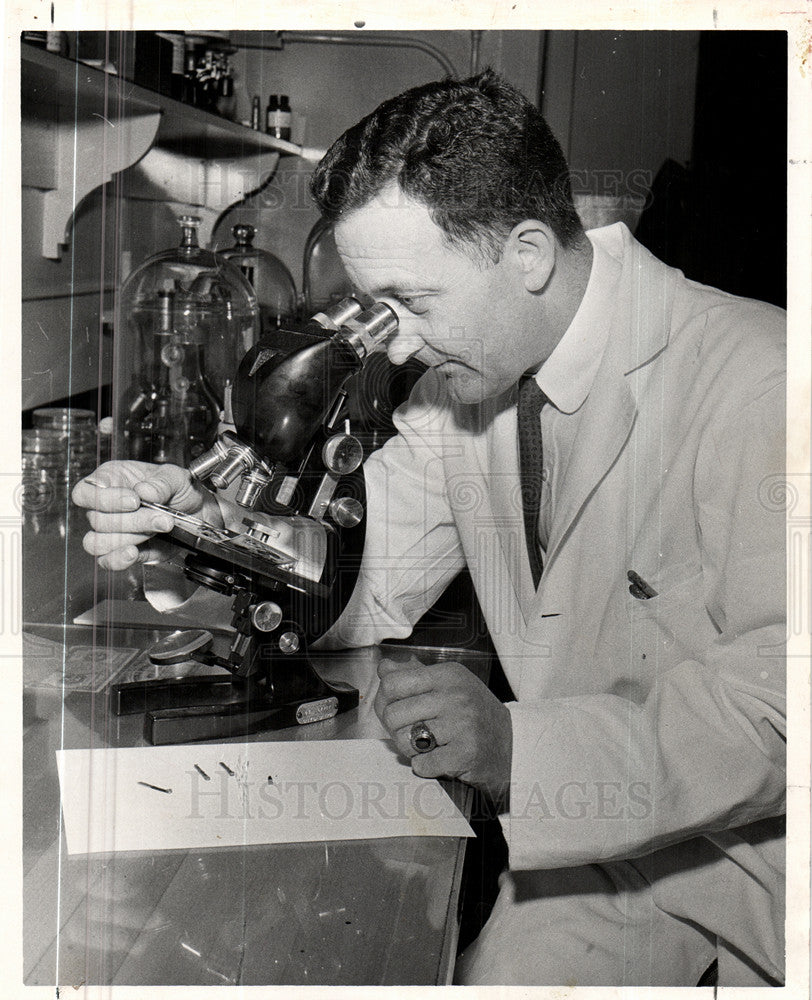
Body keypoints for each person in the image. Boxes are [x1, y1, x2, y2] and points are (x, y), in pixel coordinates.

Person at [73, 70, 786, 987]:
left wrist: (519, 747)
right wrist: (198, 532)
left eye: (411, 302)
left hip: (758, 878)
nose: (394, 343)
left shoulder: (762, 382)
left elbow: (780, 712)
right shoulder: (465, 390)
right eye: (377, 310)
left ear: (526, 253)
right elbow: (354, 581)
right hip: (592, 858)